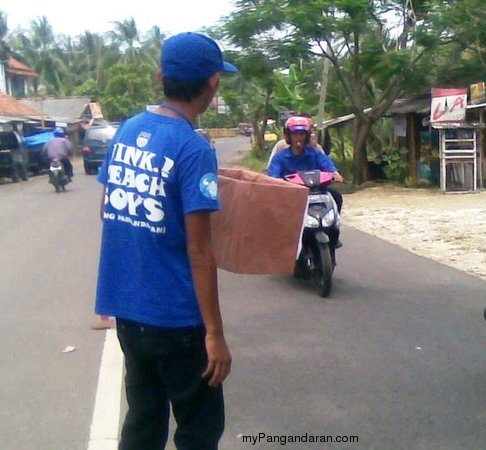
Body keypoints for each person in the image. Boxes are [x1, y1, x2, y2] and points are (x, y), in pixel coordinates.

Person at [94, 32, 236, 449]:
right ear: (213, 83)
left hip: (128, 313)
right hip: (178, 320)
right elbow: (199, 250)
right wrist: (215, 334)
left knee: (143, 420)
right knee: (199, 429)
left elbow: (107, 207)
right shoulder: (193, 149)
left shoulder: (126, 131)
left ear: (160, 76)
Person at [267, 115, 344, 212]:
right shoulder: (280, 157)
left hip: (316, 192)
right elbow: (273, 175)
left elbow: (326, 163)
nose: (298, 138)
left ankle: (334, 225)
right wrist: (277, 181)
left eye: (301, 134)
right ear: (289, 136)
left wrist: (335, 173)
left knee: (336, 196)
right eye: (295, 134)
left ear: (306, 136)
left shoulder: (314, 153)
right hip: (290, 194)